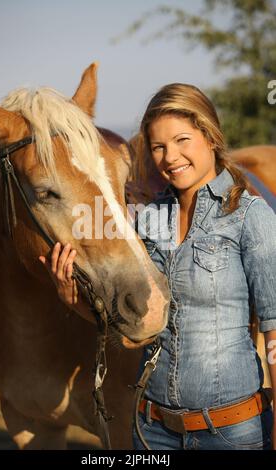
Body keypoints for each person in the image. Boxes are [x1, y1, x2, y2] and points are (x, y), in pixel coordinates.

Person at [39, 83, 276, 450]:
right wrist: (70, 298)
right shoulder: (146, 219)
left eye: (183, 140)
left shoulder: (249, 216)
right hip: (152, 430)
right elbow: (128, 320)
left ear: (210, 137)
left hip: (232, 431)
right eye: (158, 147)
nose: (170, 157)